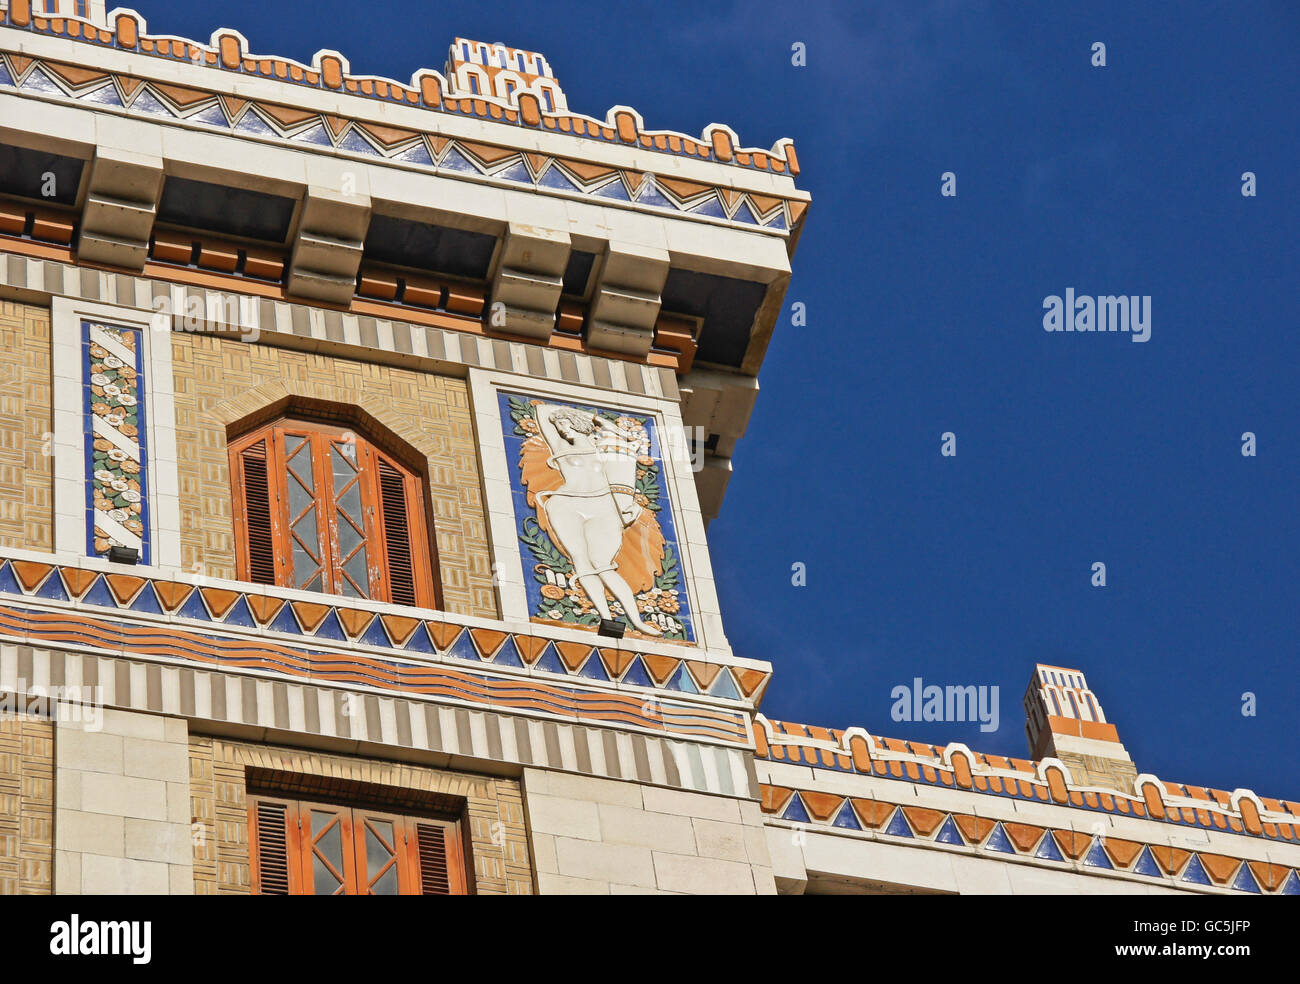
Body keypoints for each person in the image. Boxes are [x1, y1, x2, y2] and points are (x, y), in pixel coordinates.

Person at [534, 404, 661, 636]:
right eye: (559, 426)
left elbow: (626, 455)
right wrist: (572, 418)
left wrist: (598, 421)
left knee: (604, 564)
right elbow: (543, 412)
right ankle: (605, 618)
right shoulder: (560, 445)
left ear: (577, 424)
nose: (561, 430)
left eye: (564, 424)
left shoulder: (605, 445)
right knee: (581, 560)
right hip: (565, 505)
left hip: (603, 506)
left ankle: (636, 620)